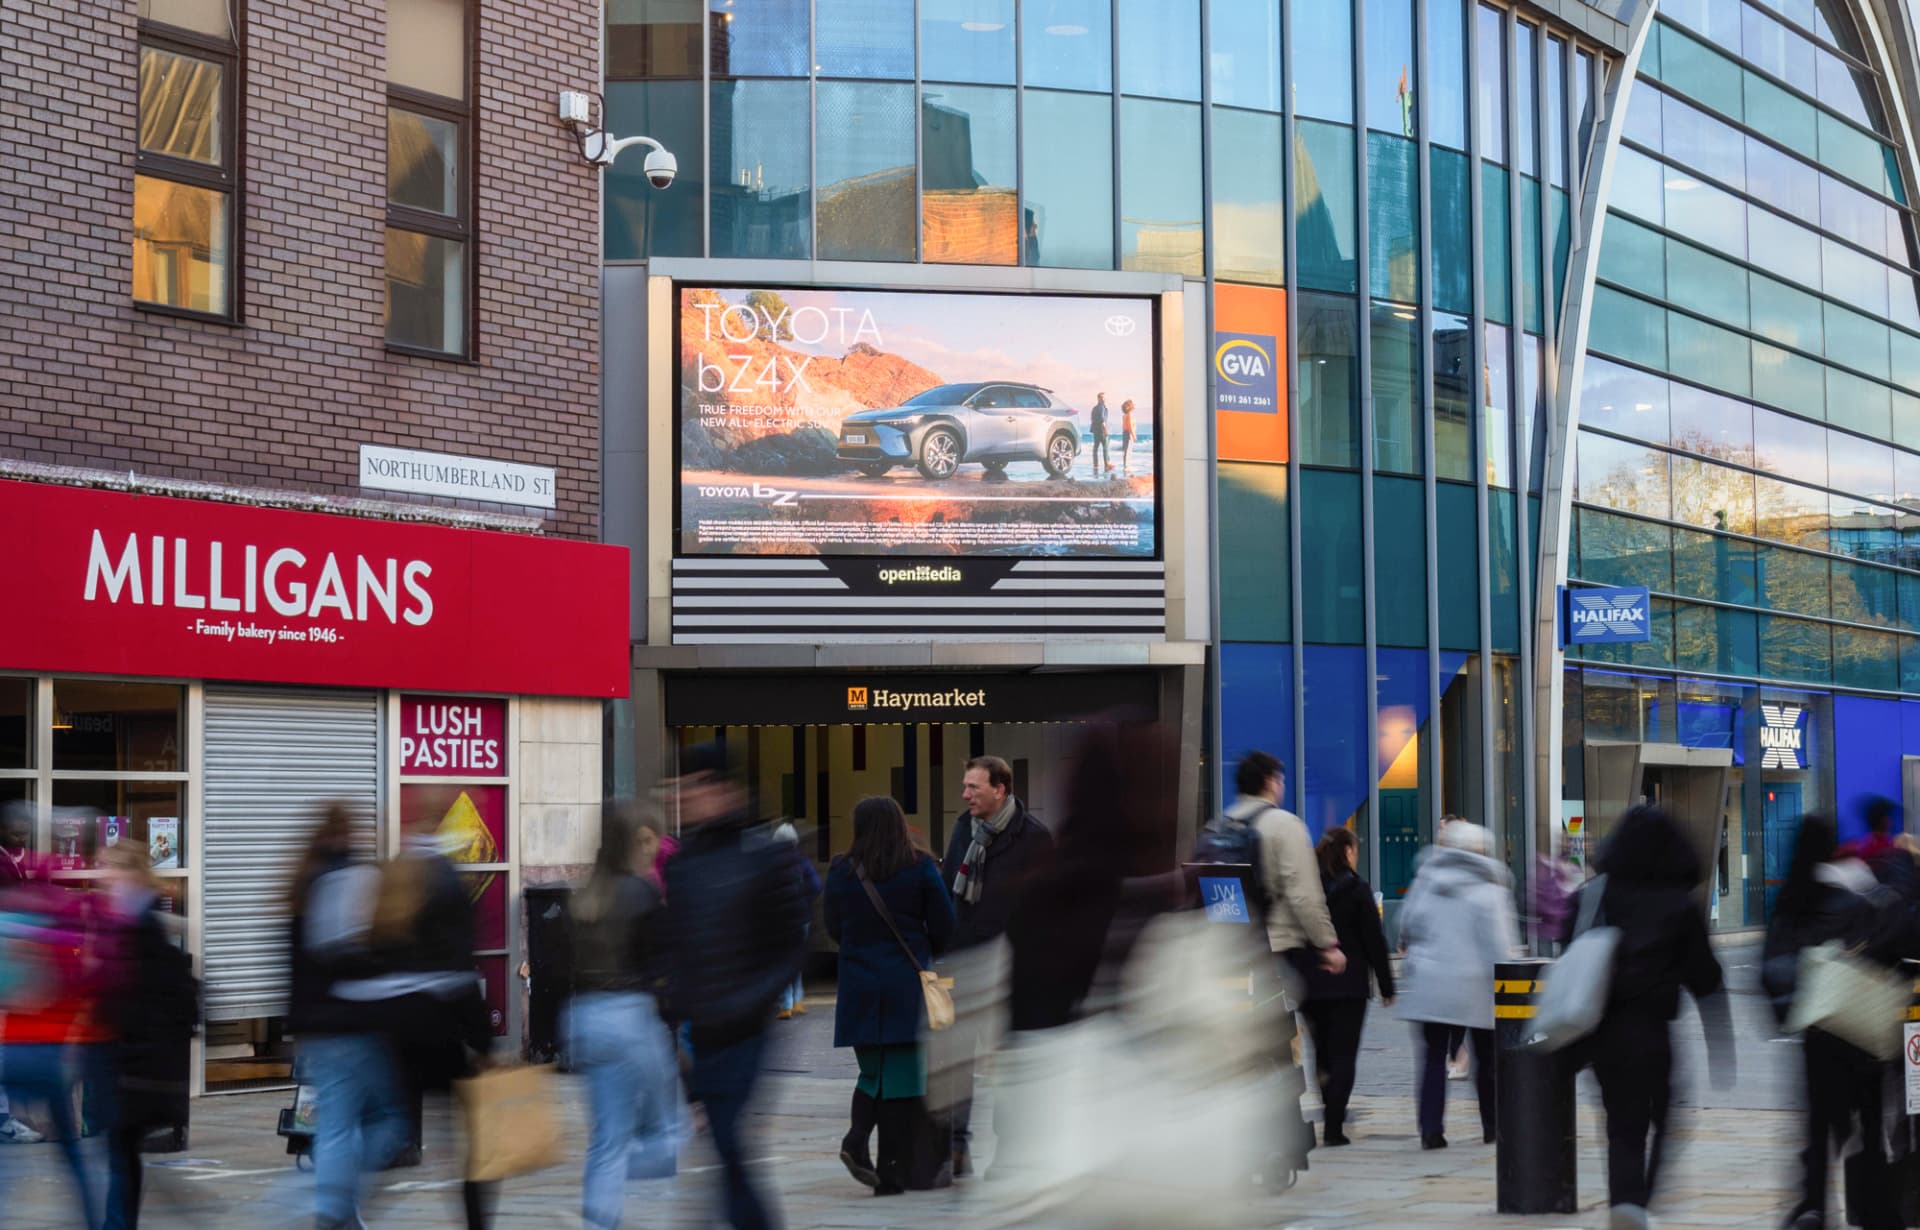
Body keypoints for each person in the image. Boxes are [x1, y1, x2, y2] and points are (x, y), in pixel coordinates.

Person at [664, 740, 808, 1230]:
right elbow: (677, 948)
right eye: (677, 787)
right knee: (725, 1149)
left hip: (747, 1030)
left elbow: (791, 946)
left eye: (693, 786)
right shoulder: (683, 864)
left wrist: (748, 1002)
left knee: (727, 1140)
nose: (681, 797)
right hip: (699, 1032)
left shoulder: (764, 857)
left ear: (724, 789)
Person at [1572, 806, 1732, 1230]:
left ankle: (1625, 1204)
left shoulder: (1595, 894)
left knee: (1621, 1126)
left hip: (1600, 1032)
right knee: (1667, 1116)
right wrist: (1722, 1048)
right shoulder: (1678, 906)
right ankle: (1640, 1201)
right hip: (1652, 1033)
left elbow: (1567, 939)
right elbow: (1706, 979)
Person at [341, 807, 497, 1229]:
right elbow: (460, 969)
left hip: (394, 1030)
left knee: (392, 1132)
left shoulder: (390, 880)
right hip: (440, 1029)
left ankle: (345, 1207)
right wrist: (484, 1041)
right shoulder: (447, 883)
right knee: (477, 1145)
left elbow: (366, 956)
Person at [1764, 813, 1917, 1230]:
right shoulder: (1854, 895)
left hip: (1817, 1033)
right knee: (1867, 1126)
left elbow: (1771, 968)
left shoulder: (1792, 901)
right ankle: (1876, 1211)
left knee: (1819, 1129)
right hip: (1861, 1032)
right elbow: (1894, 949)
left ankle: (1814, 1206)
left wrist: (1792, 1006)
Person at [826, 796, 956, 1195]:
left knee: (873, 1073)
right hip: (905, 988)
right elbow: (945, 926)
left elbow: (833, 927)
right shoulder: (920, 868)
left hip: (859, 989)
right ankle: (883, 1164)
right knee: (901, 1081)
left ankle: (861, 1143)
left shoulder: (842, 871)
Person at [938, 754, 1053, 1177]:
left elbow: (1048, 912)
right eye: (966, 786)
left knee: (1006, 1067)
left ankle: (1009, 1151)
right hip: (964, 965)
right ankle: (956, 1147)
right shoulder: (962, 830)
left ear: (1000, 789)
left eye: (973, 787)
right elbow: (948, 893)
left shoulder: (1034, 838)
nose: (965, 795)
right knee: (958, 1064)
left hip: (1011, 972)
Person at [566, 802, 678, 1230]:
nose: (654, 850)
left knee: (606, 1141)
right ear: (632, 843)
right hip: (631, 1018)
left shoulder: (587, 896)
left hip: (584, 1021)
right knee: (671, 1132)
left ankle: (598, 1219)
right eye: (646, 841)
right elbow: (663, 966)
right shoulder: (641, 892)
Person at [1395, 820, 1517, 1150]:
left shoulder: (1427, 879)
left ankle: (1431, 1130)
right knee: (1487, 1059)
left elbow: (1406, 923)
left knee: (1433, 1058)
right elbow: (1498, 945)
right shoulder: (1491, 889)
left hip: (1431, 982)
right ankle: (1492, 1126)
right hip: (1475, 983)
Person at [97, 840, 197, 1230]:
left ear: (129, 872)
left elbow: (147, 997)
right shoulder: (132, 920)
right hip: (130, 1056)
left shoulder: (140, 925)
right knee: (122, 1156)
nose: (103, 875)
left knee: (122, 1155)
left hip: (136, 1060)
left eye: (110, 867)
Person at [1301, 826, 1393, 1147]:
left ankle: (1329, 1111)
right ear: (1348, 852)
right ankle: (1334, 1126)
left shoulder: (1308, 891)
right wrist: (1386, 985)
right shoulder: (1357, 889)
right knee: (1344, 1057)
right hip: (1349, 985)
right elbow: (1374, 941)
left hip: (1311, 984)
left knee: (1322, 1054)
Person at [0, 804, 43, 1145]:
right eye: (15, 831)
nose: (21, 836)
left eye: (24, 830)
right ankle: (5, 1118)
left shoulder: (28, 859)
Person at [775, 821, 821, 1021]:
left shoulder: (773, 863)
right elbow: (816, 885)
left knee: (782, 960)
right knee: (797, 959)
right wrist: (804, 901)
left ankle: (785, 1006)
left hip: (780, 920)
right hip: (802, 917)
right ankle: (798, 1001)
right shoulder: (802, 862)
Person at [1088, 392, 1111, 478]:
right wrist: (1105, 430)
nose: (1103, 399)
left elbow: (1092, 419)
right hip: (1101, 430)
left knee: (1096, 447)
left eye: (1104, 398)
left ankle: (1096, 464)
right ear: (1098, 398)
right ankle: (1106, 464)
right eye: (1102, 397)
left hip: (1096, 430)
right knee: (1105, 448)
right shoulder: (1102, 407)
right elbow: (1102, 419)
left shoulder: (1094, 408)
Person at [1119, 399, 1138, 477]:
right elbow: (1130, 426)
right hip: (1128, 433)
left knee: (1127, 450)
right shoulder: (1129, 414)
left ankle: (1126, 465)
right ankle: (1126, 466)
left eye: (1128, 405)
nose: (1127, 407)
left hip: (1125, 433)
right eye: (1126, 405)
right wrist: (1134, 435)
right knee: (1128, 450)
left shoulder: (1125, 415)